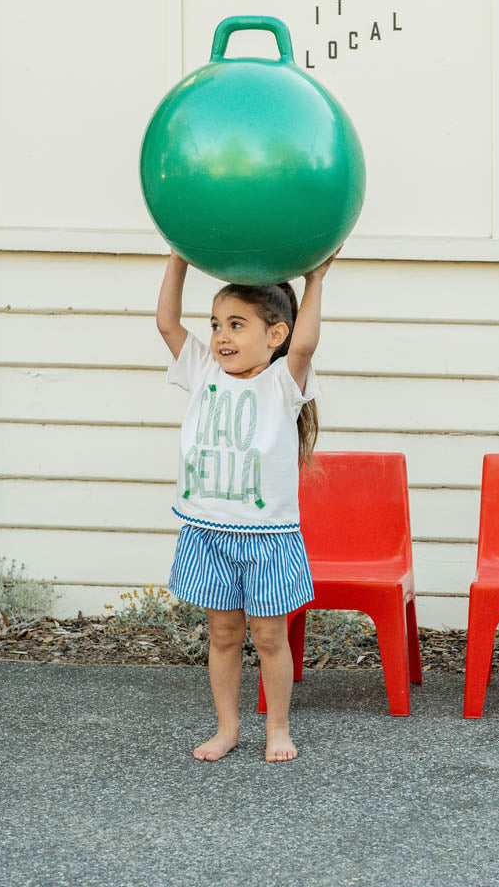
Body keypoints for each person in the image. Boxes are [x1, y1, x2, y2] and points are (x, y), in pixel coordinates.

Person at [156, 248, 339, 762]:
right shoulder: (202, 370)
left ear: (274, 335)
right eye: (216, 324)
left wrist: (315, 278)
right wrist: (178, 260)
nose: (221, 336)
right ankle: (227, 727)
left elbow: (306, 343)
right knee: (223, 633)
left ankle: (277, 728)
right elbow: (166, 322)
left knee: (269, 637)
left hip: (267, 538)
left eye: (237, 325)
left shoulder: (282, 384)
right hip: (207, 532)